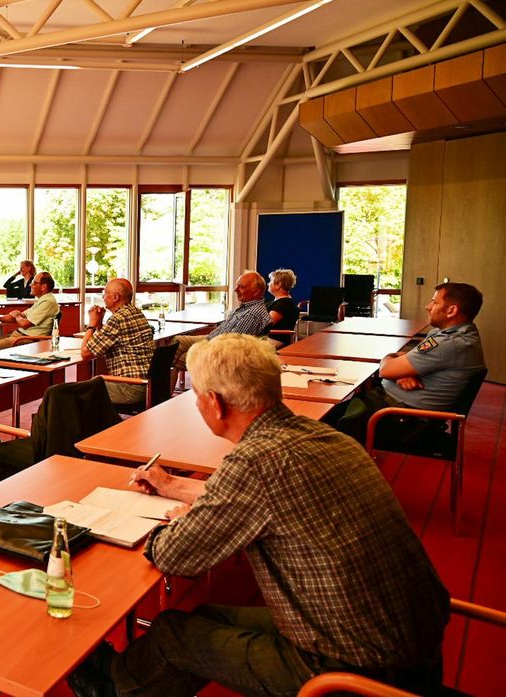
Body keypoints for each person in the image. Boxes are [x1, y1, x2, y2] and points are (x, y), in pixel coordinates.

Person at [69, 334, 450, 697]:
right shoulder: (323, 437)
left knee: (173, 638)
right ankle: (123, 677)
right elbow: (264, 498)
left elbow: (172, 557)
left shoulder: (255, 462)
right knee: (199, 617)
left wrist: (185, 521)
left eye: (197, 398)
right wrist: (173, 486)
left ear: (216, 404)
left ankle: (115, 688)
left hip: (352, 664)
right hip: (410, 639)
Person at [330, 282, 484, 443]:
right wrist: (401, 373)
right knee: (335, 411)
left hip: (401, 419)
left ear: (451, 310)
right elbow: (408, 358)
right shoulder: (454, 334)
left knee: (323, 423)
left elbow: (386, 370)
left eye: (435, 302)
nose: (428, 306)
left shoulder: (449, 344)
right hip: (395, 407)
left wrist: (389, 360)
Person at [172, 270, 270, 385]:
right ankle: (162, 395)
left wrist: (205, 346)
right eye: (237, 286)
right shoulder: (246, 307)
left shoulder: (253, 314)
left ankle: (161, 397)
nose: (235, 290)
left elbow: (232, 344)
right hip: (211, 339)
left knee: (172, 357)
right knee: (175, 342)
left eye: (241, 287)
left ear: (255, 292)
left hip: (219, 350)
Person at [80, 278, 154, 407]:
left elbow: (85, 353)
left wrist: (91, 324)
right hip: (148, 383)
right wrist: (99, 324)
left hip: (129, 387)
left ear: (115, 297)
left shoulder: (117, 320)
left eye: (105, 293)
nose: (103, 297)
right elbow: (108, 340)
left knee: (75, 392)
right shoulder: (136, 312)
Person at [0, 272, 60, 354]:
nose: (31, 285)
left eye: (34, 283)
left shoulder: (48, 302)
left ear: (43, 287)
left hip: (26, 339)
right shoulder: (42, 300)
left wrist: (17, 315)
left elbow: (24, 323)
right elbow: (20, 316)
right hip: (19, 336)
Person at [266, 268, 300, 345]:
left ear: (279, 285)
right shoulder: (278, 301)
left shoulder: (284, 303)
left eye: (271, 281)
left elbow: (266, 324)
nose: (268, 284)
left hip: (275, 340)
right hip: (267, 337)